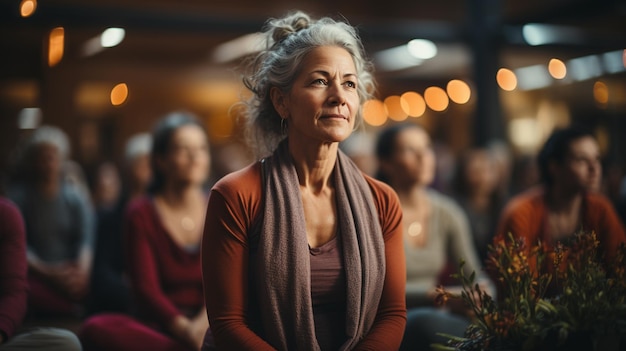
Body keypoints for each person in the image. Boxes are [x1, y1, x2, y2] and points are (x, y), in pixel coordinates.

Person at [201, 11, 406, 350]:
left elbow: (393, 314)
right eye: (319, 81)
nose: (339, 95)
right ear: (281, 101)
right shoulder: (236, 195)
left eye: (349, 83)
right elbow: (227, 324)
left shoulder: (382, 200)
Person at [80, 112, 211, 351]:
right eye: (183, 149)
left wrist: (201, 329)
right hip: (161, 325)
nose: (195, 157)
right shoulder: (140, 212)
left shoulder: (219, 205)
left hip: (211, 322)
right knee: (95, 328)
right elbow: (145, 291)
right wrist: (187, 332)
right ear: (161, 160)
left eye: (201, 149)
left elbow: (223, 286)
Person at [374, 123, 494, 351]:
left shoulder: (446, 212)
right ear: (386, 163)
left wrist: (481, 295)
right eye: (410, 150)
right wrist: (439, 296)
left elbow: (475, 276)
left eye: (427, 147)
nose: (423, 157)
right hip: (389, 317)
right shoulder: (372, 211)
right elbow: (374, 290)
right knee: (425, 323)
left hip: (438, 312)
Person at [494, 126, 626, 290]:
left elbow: (620, 268)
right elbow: (516, 284)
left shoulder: (600, 208)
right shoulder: (521, 212)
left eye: (597, 159)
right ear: (554, 166)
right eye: (582, 160)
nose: (594, 169)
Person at [7, 125, 95, 319]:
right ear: (32, 161)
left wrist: (82, 272)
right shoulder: (19, 198)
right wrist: (49, 273)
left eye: (53, 156)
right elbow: (17, 246)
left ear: (62, 159)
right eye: (42, 157)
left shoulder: (74, 196)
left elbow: (86, 238)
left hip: (70, 273)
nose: (48, 163)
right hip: (36, 274)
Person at [0, 196, 82, 350]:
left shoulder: (5, 214)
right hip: (42, 277)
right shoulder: (22, 194)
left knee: (67, 344)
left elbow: (14, 294)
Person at [87, 133, 152, 315]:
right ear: (129, 167)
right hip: (124, 298)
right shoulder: (110, 216)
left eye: (150, 162)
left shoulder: (161, 212)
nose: (147, 168)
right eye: (142, 162)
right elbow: (101, 273)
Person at [451, 147, 505, 262]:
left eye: (489, 170)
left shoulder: (504, 205)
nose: (484, 177)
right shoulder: (453, 208)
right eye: (476, 171)